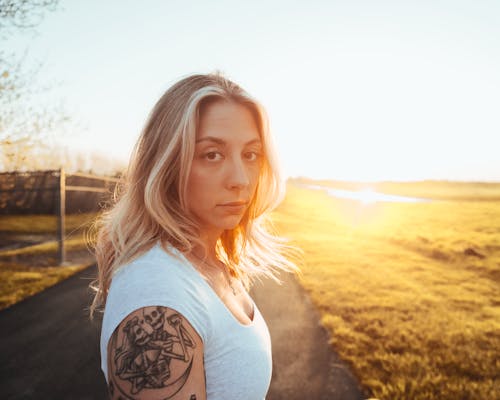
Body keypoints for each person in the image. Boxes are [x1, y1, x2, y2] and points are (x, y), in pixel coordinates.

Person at [89, 73, 298, 400]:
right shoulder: (156, 295)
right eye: (212, 154)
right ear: (167, 164)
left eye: (251, 154)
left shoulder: (209, 260)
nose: (240, 179)